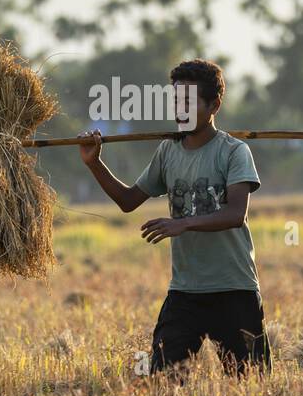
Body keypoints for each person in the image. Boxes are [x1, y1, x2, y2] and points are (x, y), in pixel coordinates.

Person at [78, 59, 270, 376]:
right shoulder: (168, 151)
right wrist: (93, 163)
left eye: (189, 102)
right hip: (185, 291)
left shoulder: (234, 152)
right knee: (165, 377)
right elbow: (128, 201)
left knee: (250, 382)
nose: (180, 110)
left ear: (214, 105)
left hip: (234, 289)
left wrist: (182, 223)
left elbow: (235, 214)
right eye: (176, 101)